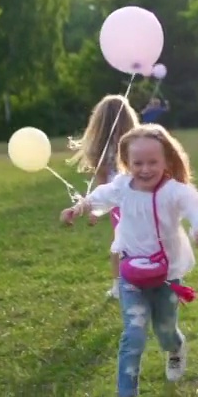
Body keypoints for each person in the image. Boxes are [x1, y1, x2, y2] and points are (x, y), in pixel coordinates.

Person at [60, 124, 198, 396]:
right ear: (126, 162)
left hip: (167, 276)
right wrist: (79, 207)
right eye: (138, 163)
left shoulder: (176, 191)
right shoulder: (122, 186)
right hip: (131, 274)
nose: (145, 169)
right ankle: (126, 393)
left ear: (166, 159)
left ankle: (175, 349)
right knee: (133, 336)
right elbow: (98, 197)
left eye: (153, 162)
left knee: (166, 331)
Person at [65, 94, 141, 299]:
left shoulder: (118, 146)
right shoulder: (128, 143)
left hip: (122, 199)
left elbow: (102, 181)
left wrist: (97, 209)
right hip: (128, 198)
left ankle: (123, 283)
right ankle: (125, 282)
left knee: (122, 241)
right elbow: (103, 182)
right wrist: (96, 209)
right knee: (128, 241)